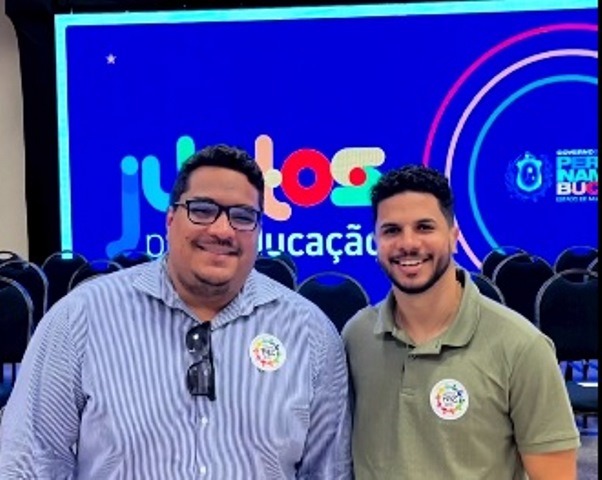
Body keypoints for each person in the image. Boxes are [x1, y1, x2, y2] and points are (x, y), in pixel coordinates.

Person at [0, 144, 352, 479]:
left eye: (243, 216)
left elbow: (327, 472)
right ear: (170, 219)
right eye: (202, 210)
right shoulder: (81, 319)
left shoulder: (310, 334)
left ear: (258, 230)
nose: (222, 230)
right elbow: (29, 462)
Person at [342, 164, 580, 479]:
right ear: (376, 241)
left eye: (424, 227)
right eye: (392, 230)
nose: (408, 243)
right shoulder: (357, 337)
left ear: (453, 237)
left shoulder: (522, 347)